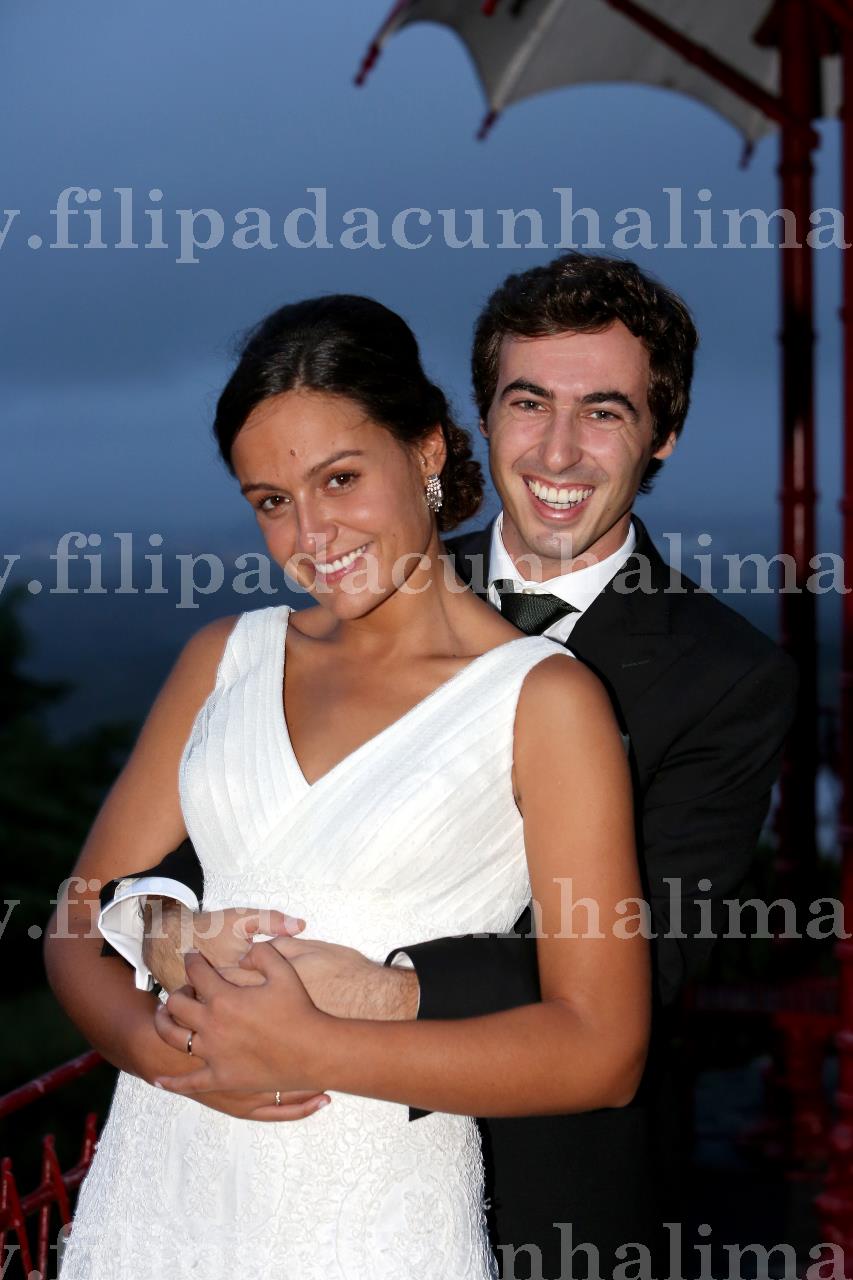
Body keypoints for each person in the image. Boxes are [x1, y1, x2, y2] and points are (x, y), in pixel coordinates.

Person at [99, 253, 798, 1280]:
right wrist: (161, 928)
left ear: (663, 433)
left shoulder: (728, 675)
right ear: (473, 421)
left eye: (603, 411)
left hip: (545, 1191)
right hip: (236, 1150)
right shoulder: (363, 575)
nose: (557, 450)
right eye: (529, 402)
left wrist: (383, 990)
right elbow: (227, 844)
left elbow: (645, 956)